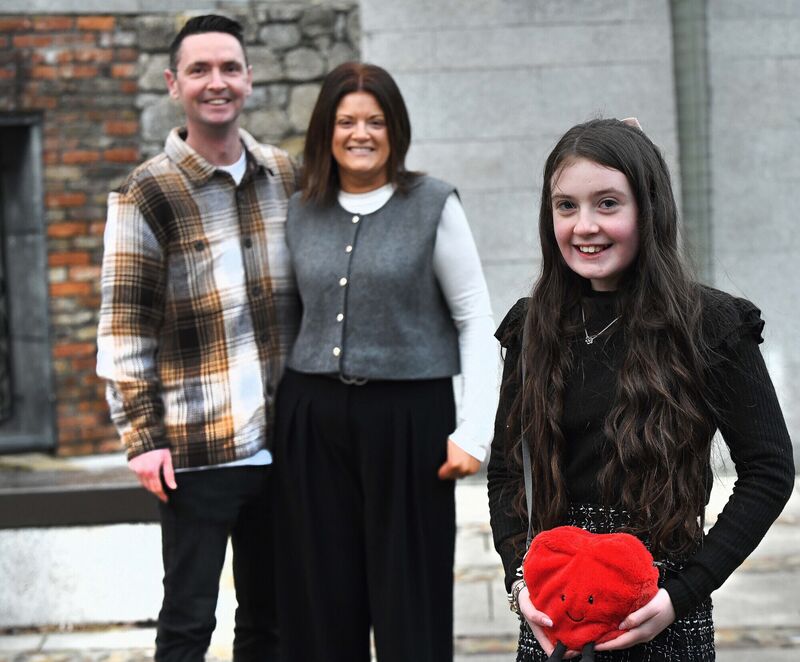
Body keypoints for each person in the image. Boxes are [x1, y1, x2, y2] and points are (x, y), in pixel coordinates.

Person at [488, 118, 795, 661]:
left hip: (663, 611)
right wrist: (521, 586)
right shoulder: (531, 327)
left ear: (649, 210)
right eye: (566, 206)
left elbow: (769, 468)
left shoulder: (711, 324)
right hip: (555, 613)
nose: (584, 226)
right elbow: (509, 471)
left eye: (608, 203)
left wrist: (685, 591)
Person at [272, 61, 499, 662]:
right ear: (326, 130)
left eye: (375, 120)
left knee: (409, 596)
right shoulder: (301, 209)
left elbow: (477, 318)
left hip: (409, 421)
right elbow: (289, 317)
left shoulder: (432, 204)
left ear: (395, 128)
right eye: (346, 120)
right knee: (320, 598)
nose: (361, 132)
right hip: (312, 418)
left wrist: (473, 432)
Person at [96, 15, 298, 661]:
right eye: (200, 70)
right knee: (188, 620)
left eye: (230, 68)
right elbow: (123, 325)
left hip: (284, 447)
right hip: (195, 450)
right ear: (173, 83)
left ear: (249, 77)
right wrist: (141, 439)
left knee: (269, 620)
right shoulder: (145, 193)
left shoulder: (286, 177)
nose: (218, 83)